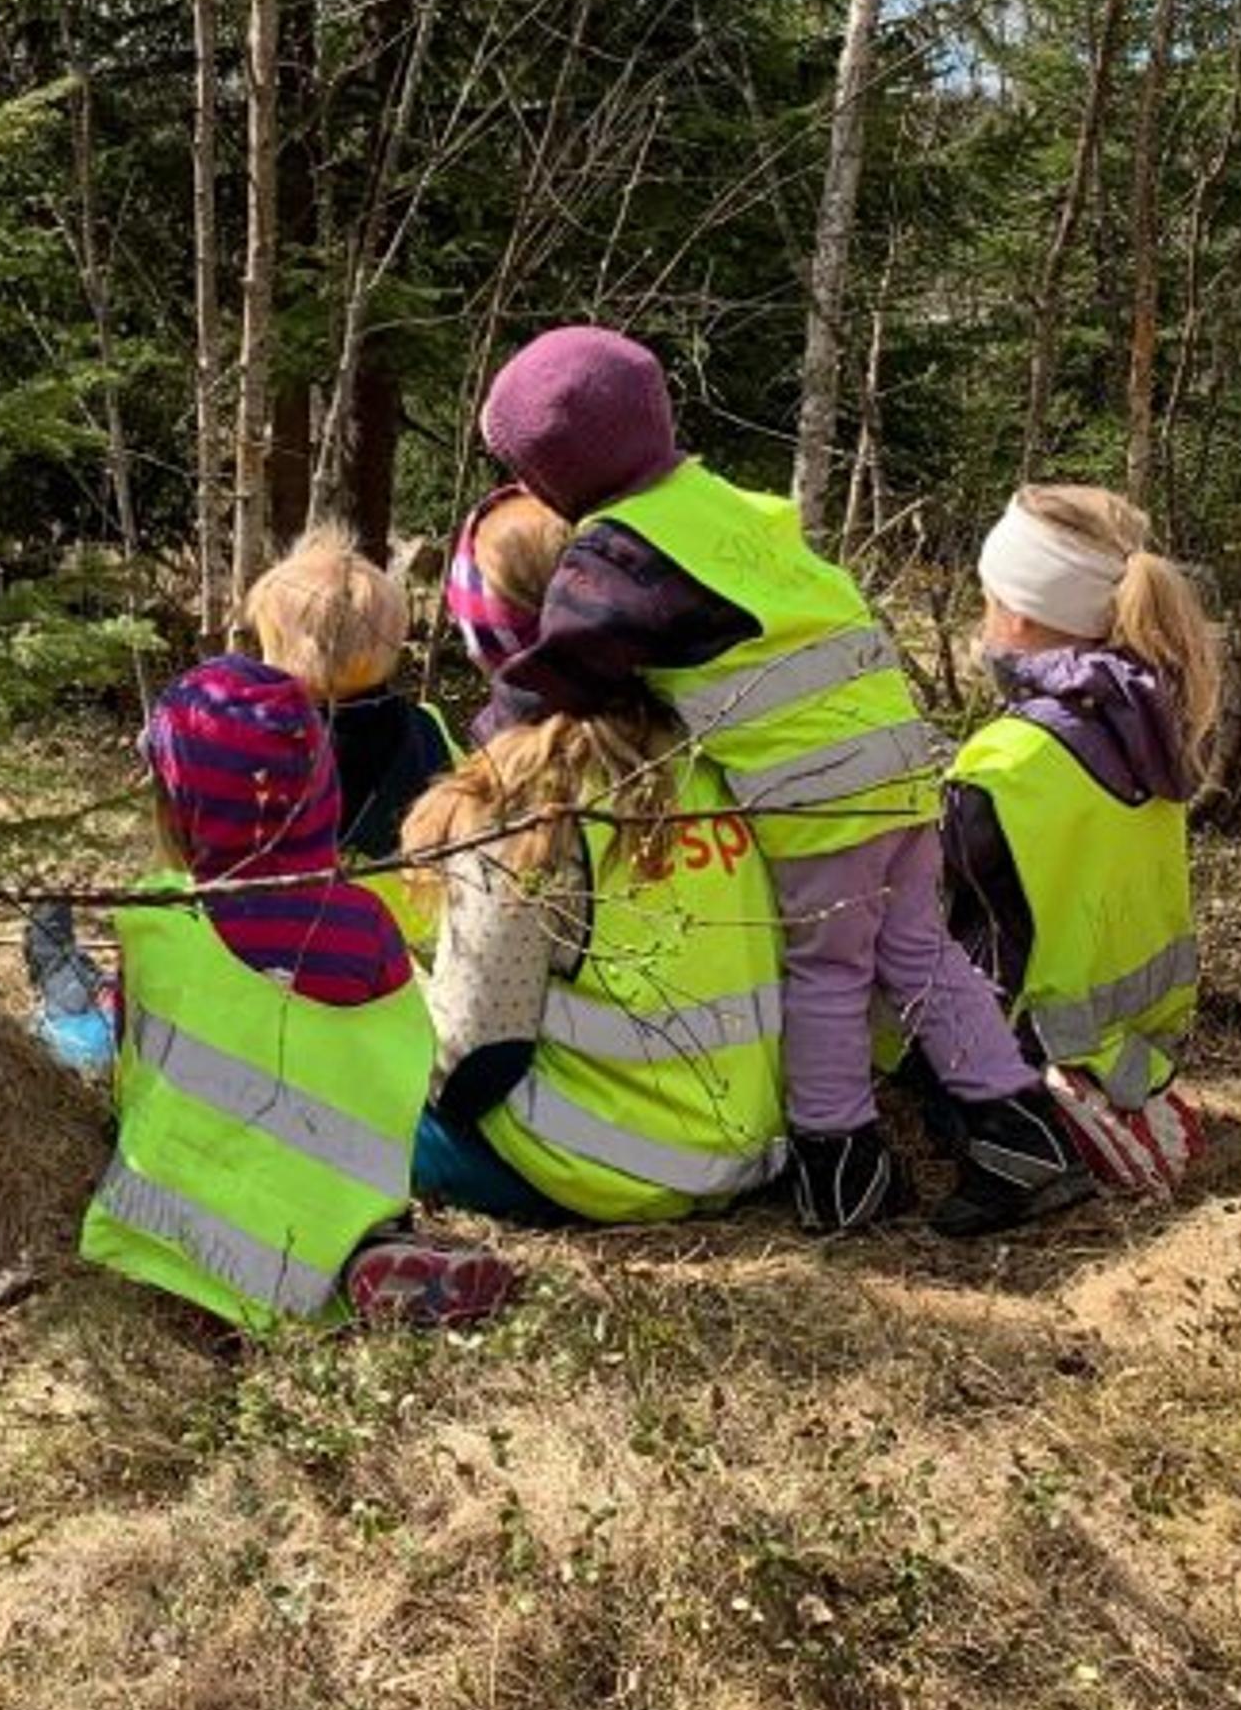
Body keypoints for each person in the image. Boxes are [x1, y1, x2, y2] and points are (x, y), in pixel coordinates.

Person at [472, 327, 1089, 1237]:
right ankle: (1022, 1132)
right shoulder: (721, 505)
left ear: (556, 473)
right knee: (921, 953)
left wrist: (488, 749)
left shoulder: (617, 552)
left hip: (820, 794)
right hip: (897, 764)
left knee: (827, 972)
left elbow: (568, 669)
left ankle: (844, 1166)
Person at [62, 657, 515, 1328]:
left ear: (181, 804)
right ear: (322, 789)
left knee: (80, 1022)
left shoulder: (160, 918)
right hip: (329, 1209)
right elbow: (396, 1055)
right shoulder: (366, 925)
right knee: (331, 1194)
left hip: (178, 1213)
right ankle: (365, 1258)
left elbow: (136, 1069)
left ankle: (298, 1262)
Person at [399, 489, 787, 1224]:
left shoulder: (522, 801)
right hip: (744, 1150)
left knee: (326, 1080)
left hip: (590, 1170)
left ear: (487, 636)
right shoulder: (717, 751)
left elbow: (476, 1054)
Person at [938, 486, 1219, 1194]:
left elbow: (939, 923)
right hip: (1140, 1042)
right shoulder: (1154, 724)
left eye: (987, 597)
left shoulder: (1006, 762)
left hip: (1030, 1050)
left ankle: (1037, 1136)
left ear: (1019, 614)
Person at [243, 524, 456, 863]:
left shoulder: (266, 746)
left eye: (269, 648)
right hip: (421, 908)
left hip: (304, 911)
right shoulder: (428, 726)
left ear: (299, 658)